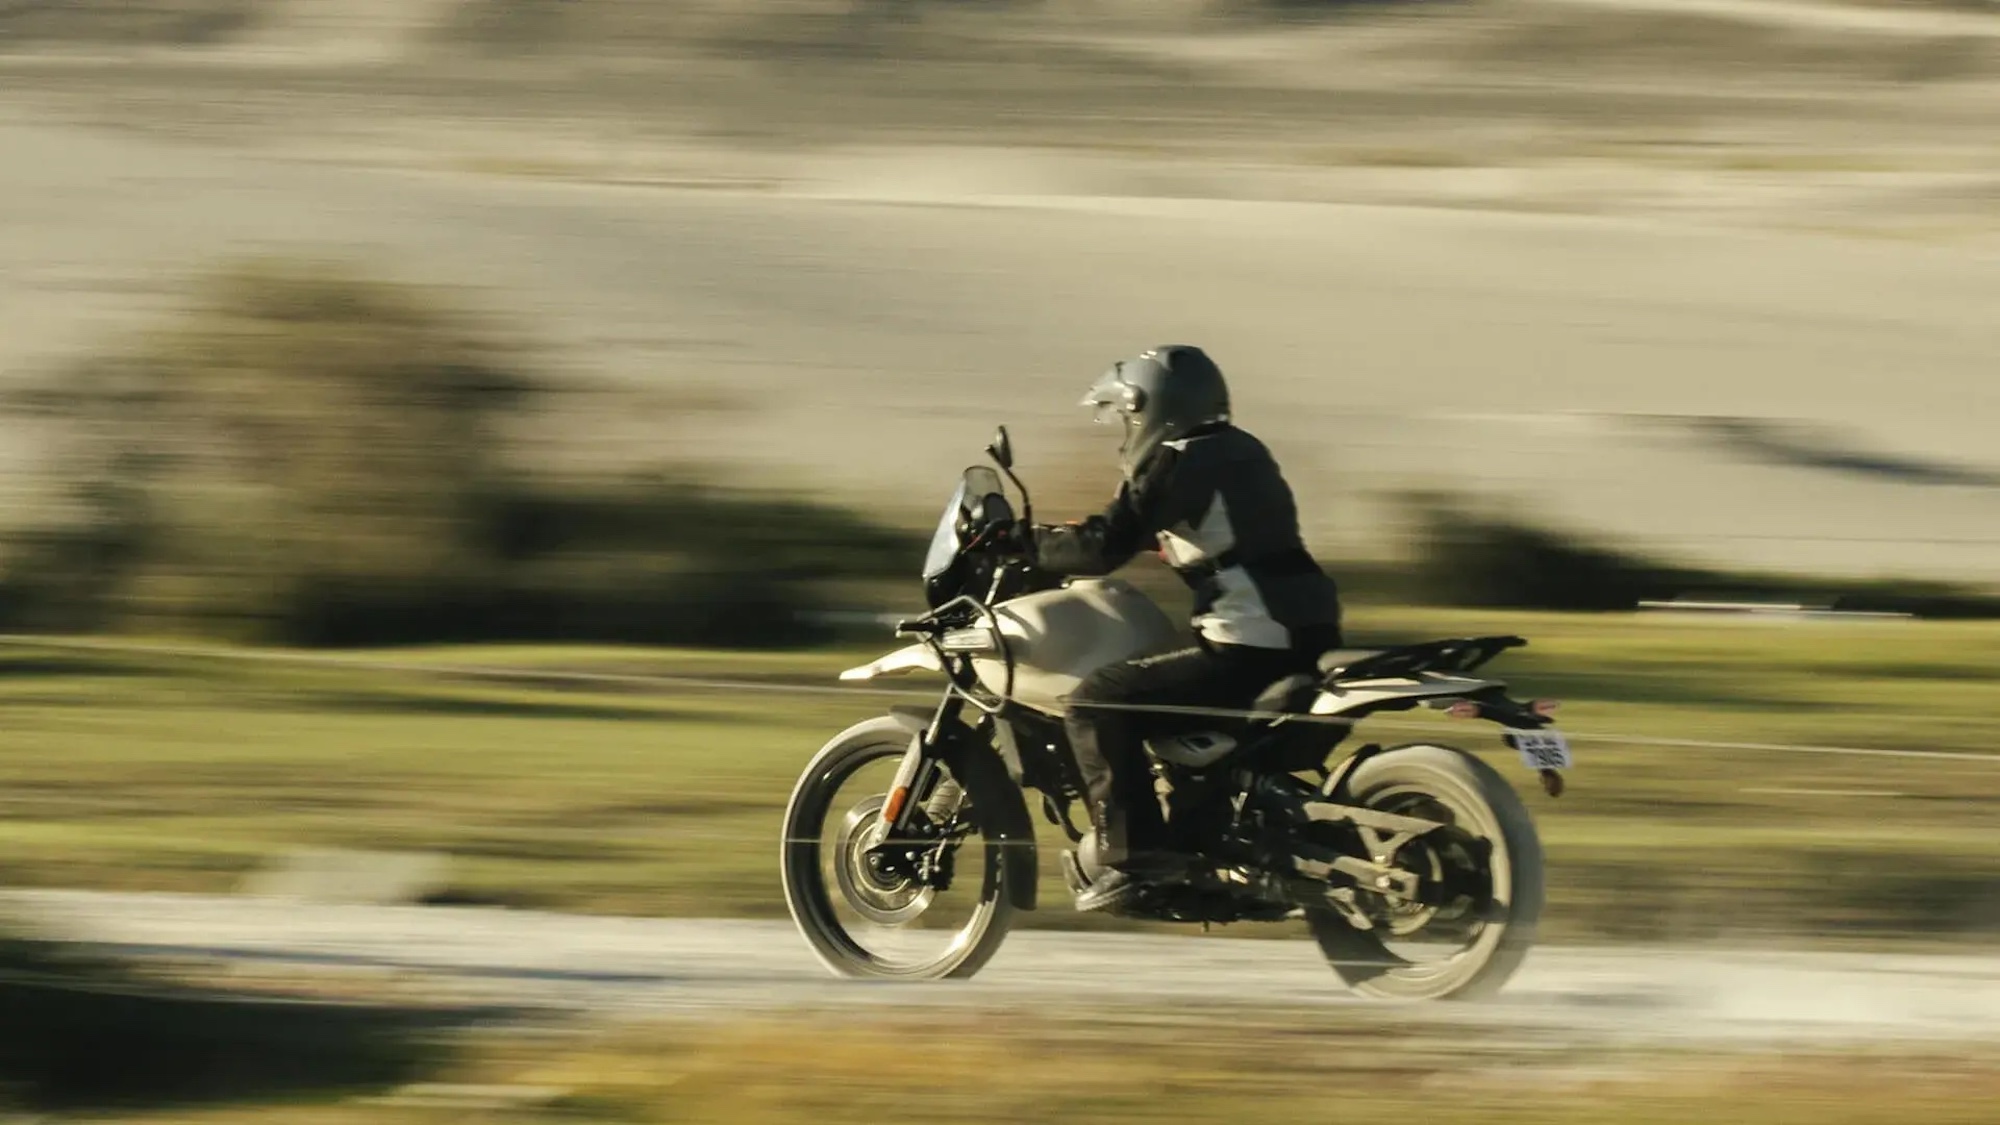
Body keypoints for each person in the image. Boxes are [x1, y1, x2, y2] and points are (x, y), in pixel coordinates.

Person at [1028, 345, 1344, 914]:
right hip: (1307, 632)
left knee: (1098, 702)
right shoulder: (1244, 452)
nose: (1124, 431)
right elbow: (1224, 533)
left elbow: (1102, 546)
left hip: (1248, 642)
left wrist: (1023, 542)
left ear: (1151, 410)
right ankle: (1209, 836)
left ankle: (1139, 862)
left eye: (1125, 416)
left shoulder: (1177, 458)